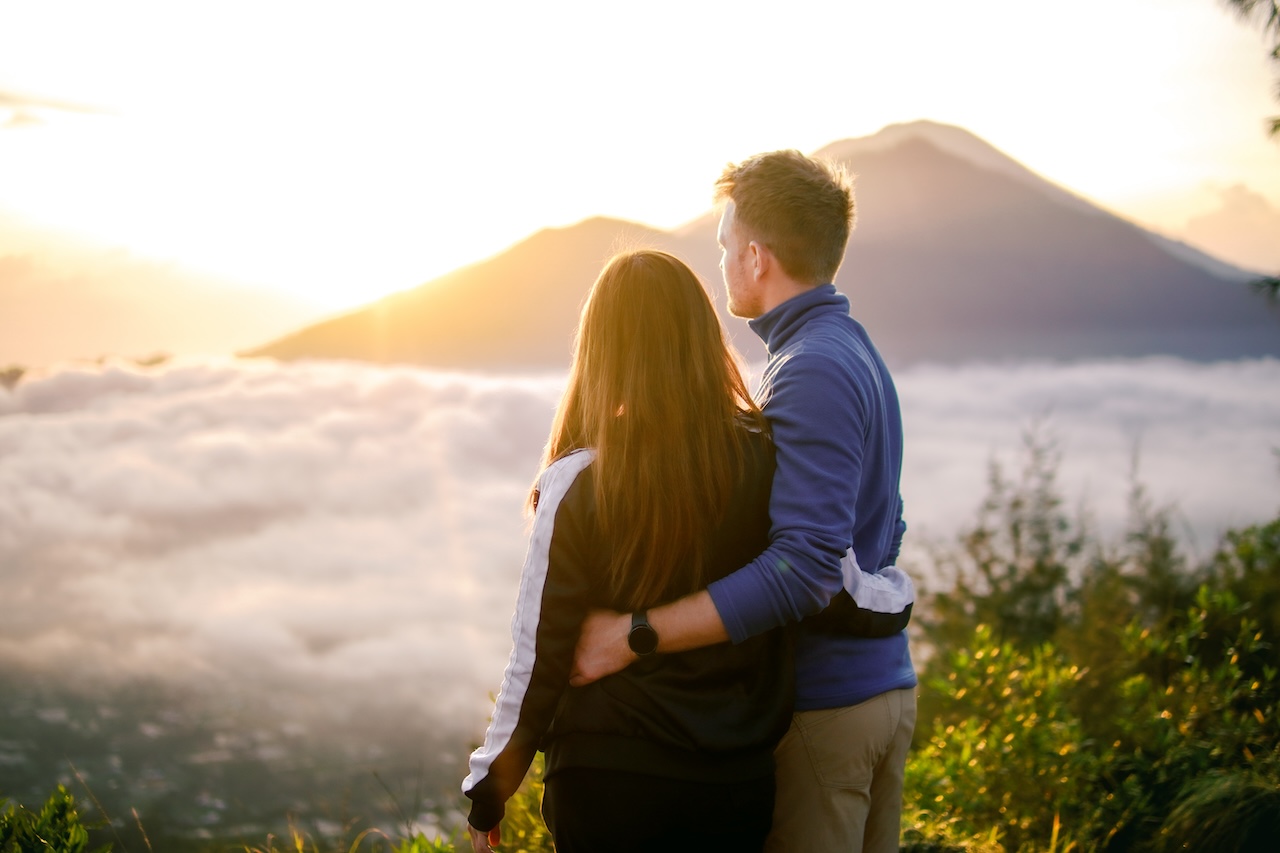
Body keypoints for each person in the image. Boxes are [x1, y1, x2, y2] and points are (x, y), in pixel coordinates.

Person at [570, 150, 917, 853]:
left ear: (757, 258)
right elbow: (885, 524)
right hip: (878, 692)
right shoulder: (852, 349)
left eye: (726, 245)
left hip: (827, 707)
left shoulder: (810, 368)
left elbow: (805, 566)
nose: (723, 261)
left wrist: (633, 634)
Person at [461, 249, 794, 853]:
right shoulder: (767, 459)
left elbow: (540, 652)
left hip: (608, 777)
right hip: (734, 780)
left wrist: (491, 783)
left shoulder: (580, 481)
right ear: (700, 338)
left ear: (600, 351)